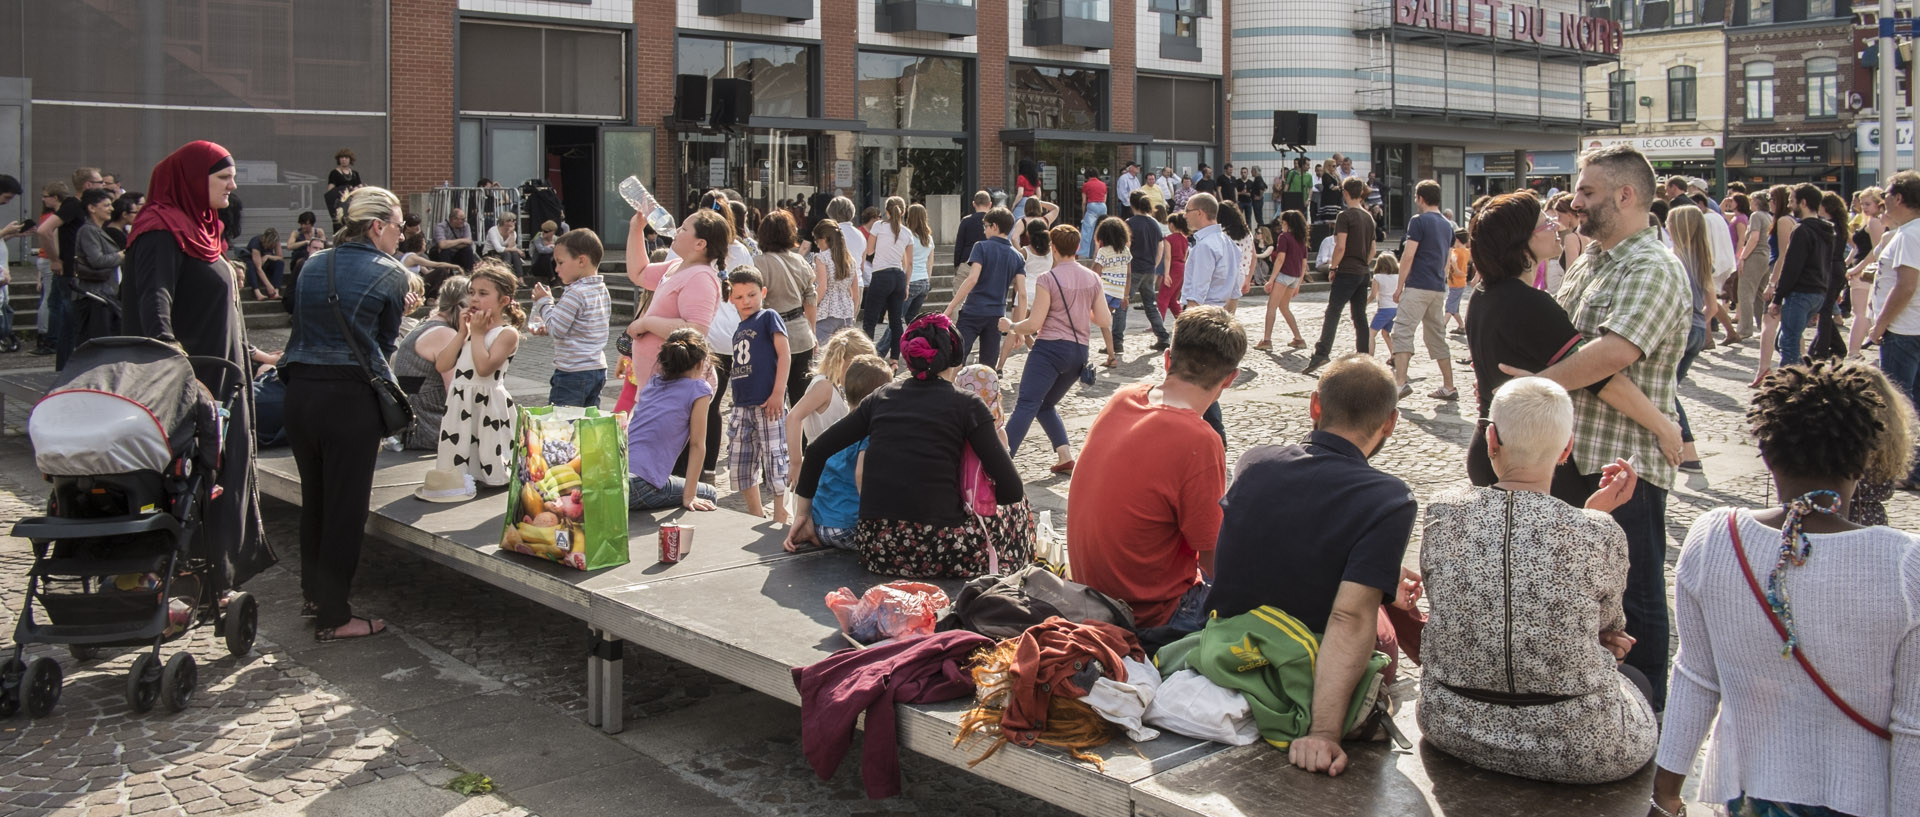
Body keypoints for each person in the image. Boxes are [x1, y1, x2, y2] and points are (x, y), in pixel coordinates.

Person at [1653, 359, 1920, 817]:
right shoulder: (1903, 563)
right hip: (1866, 799)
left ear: (1767, 452)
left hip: (1751, 795)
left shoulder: (1713, 537)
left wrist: (1664, 796)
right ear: (1866, 458)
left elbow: (1694, 678)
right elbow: (1913, 726)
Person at [1418, 377, 1657, 784]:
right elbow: (1609, 628)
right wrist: (1593, 516)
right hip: (1582, 746)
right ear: (1567, 448)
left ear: (1491, 440)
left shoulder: (1444, 512)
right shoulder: (1598, 532)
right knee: (1636, 681)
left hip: (1453, 722)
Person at [1519, 144, 1691, 711]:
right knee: (1586, 597)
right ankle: (1594, 709)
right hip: (1577, 455)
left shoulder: (1652, 266)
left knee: (1634, 600)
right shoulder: (1594, 260)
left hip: (1624, 462)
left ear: (1626, 195)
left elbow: (1609, 354)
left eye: (1588, 191)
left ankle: (1647, 718)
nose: (1576, 200)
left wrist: (1539, 384)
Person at [1205, 354, 1422, 776]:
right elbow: (1349, 615)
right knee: (1388, 607)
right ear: (1390, 423)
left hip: (1232, 641)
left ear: (1315, 406)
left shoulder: (1255, 460)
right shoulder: (1389, 497)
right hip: (1304, 654)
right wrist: (1324, 733)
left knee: (1382, 586)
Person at [124, 141, 280, 601]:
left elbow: (214, 309)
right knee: (188, 482)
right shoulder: (160, 228)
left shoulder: (203, 228)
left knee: (218, 480)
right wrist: (178, 372)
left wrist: (251, 354)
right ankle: (174, 577)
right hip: (191, 388)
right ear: (192, 180)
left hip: (224, 379)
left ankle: (213, 577)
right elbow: (156, 306)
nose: (233, 185)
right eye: (223, 177)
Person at [787, 315, 1030, 577]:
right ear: (955, 357)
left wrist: (803, 514)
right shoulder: (968, 406)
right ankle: (1014, 578)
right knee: (1019, 507)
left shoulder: (879, 398)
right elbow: (1012, 490)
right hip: (941, 549)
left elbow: (816, 451)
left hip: (877, 548)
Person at [277, 184, 412, 640]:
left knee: (314, 500)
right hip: (348, 399)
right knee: (345, 508)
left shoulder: (314, 262)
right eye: (397, 227)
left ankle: (314, 596)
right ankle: (335, 616)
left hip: (299, 394)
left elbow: (298, 317)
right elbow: (384, 347)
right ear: (376, 226)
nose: (402, 236)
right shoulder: (392, 273)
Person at [1068, 307, 1246, 630]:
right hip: (1148, 614)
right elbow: (1211, 561)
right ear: (1230, 378)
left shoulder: (1123, 398)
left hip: (1089, 593)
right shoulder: (1200, 440)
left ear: (1167, 360)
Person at [1001, 225, 1112, 472]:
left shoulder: (1047, 279)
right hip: (1078, 353)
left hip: (1049, 350)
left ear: (1053, 248)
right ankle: (1064, 456)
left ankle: (1001, 462)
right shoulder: (1092, 278)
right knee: (1045, 404)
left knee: (1027, 403)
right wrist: (1082, 308)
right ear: (1076, 247)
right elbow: (1105, 320)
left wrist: (1010, 326)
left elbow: (1034, 324)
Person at [429, 261, 522, 494]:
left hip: (487, 404)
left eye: (483, 293)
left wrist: (478, 334)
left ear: (504, 301)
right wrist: (463, 333)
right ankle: (462, 480)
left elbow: (484, 369)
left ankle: (491, 480)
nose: (474, 299)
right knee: (461, 447)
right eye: (471, 293)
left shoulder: (506, 333)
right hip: (461, 401)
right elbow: (442, 364)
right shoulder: (470, 331)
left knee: (488, 448)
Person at [793, 355, 893, 551]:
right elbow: (860, 474)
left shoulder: (836, 429)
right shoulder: (869, 433)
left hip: (821, 524)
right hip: (848, 526)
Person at [626, 328, 721, 512]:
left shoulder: (654, 382)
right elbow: (697, 445)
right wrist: (690, 496)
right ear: (702, 363)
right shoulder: (699, 389)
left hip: (620, 477)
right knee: (708, 493)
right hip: (639, 486)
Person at [725, 267, 792, 522]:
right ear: (731, 298)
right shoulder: (739, 328)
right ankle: (754, 512)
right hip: (742, 404)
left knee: (775, 456)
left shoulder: (769, 317)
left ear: (762, 293)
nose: (746, 302)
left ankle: (780, 513)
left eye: (751, 295)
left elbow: (784, 354)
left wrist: (778, 392)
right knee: (740, 457)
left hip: (768, 402)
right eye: (739, 297)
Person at [1869, 170, 1920, 489]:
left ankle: (1907, 469)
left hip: (1904, 330)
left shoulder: (1909, 235)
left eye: (1885, 195)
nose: (1881, 201)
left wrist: (1880, 324)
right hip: (1912, 327)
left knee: (1900, 405)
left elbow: (1905, 286)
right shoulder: (1908, 233)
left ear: (1899, 197)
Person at [1388, 180, 1460, 401]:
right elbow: (1447, 261)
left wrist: (1399, 286)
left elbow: (1408, 256)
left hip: (1418, 285)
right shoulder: (1448, 225)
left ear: (1420, 198)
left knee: (1401, 331)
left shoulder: (1418, 221)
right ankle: (1449, 386)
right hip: (1438, 287)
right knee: (1436, 335)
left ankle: (1400, 383)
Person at [530, 229, 612, 407]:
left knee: (563, 426)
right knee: (587, 425)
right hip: (596, 368)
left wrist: (544, 302)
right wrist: (549, 325)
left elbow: (557, 330)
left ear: (581, 260)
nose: (556, 269)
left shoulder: (575, 292)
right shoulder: (600, 289)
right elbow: (579, 326)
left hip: (573, 371)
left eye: (560, 263)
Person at [1305, 178, 1378, 375]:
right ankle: (1364, 356)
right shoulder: (1368, 217)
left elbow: (1340, 246)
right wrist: (1365, 263)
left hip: (1347, 271)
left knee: (1333, 312)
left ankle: (1322, 353)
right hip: (1363, 272)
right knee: (1359, 315)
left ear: (1345, 193)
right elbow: (1373, 249)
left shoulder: (1345, 216)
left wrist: (1333, 267)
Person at [1667, 205, 1720, 474]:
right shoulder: (1701, 259)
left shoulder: (1674, 259)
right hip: (1698, 330)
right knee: (1670, 390)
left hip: (1683, 331)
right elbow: (1713, 306)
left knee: (1665, 392)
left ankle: (1688, 452)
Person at [785, 327, 877, 481]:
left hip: (831, 464)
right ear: (843, 362)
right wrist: (796, 462)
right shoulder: (824, 386)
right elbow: (793, 417)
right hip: (820, 465)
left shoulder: (834, 387)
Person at [393, 276, 470, 451]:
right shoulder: (444, 334)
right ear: (462, 306)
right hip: (429, 427)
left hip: (414, 423)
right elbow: (456, 393)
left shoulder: (428, 325)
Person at [37, 167, 103, 369]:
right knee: (71, 322)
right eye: (100, 182)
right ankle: (66, 368)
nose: (104, 186)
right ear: (88, 185)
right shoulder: (73, 204)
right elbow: (45, 230)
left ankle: (67, 367)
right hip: (71, 273)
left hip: (77, 272)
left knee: (72, 322)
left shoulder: (83, 207)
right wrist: (55, 259)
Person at [751, 211, 817, 407]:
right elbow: (811, 303)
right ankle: (801, 438)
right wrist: (812, 334)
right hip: (802, 336)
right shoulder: (801, 262)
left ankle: (776, 437)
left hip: (771, 337)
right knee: (800, 402)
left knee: (770, 400)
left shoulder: (758, 264)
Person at [946, 206, 1026, 367]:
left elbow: (972, 279)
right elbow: (1022, 294)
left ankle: (949, 390)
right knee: (988, 366)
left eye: (986, 226)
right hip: (996, 315)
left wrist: (951, 306)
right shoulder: (1017, 256)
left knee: (956, 358)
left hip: (973, 311)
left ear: (994, 226)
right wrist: (1020, 329)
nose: (984, 231)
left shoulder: (981, 247)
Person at [1771, 184, 1834, 368]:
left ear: (1803, 202)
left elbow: (1791, 267)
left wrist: (1777, 297)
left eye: (1792, 201)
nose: (1790, 206)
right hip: (1817, 292)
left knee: (1788, 343)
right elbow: (1827, 264)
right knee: (1787, 340)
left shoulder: (1801, 230)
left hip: (1800, 292)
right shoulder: (1827, 230)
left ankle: (1791, 384)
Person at [71, 187, 124, 346]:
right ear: (92, 208)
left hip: (104, 294)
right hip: (94, 296)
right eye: (106, 205)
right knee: (97, 342)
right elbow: (96, 260)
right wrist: (120, 256)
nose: (111, 209)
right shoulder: (88, 230)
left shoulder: (98, 231)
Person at [863, 197, 913, 360]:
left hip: (881, 274)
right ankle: (894, 359)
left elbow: (869, 251)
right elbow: (909, 263)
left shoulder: (878, 226)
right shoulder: (907, 233)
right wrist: (906, 285)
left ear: (886, 211)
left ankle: (868, 356)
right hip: (898, 276)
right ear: (903, 211)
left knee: (870, 318)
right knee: (896, 321)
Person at [1125, 191, 1173, 353]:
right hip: (1149, 269)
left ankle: (1116, 340)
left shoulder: (1130, 223)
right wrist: (1154, 264)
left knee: (1124, 303)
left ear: (1132, 205)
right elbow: (1160, 247)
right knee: (1151, 304)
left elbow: (1126, 248)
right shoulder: (1154, 223)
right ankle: (1163, 336)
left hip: (1134, 268)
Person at [1257, 210, 1310, 350]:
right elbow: (1304, 263)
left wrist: (1271, 280)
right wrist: (1298, 283)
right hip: (1295, 276)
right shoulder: (1301, 239)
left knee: (1272, 307)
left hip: (1284, 275)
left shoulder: (1284, 237)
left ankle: (1266, 340)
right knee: (1284, 307)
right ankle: (1298, 338)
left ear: (1286, 223)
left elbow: (1280, 259)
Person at [1179, 194, 1237, 310]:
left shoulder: (1205, 246)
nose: (1185, 216)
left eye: (1187, 211)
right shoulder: (1229, 243)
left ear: (1200, 212)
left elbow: (1196, 294)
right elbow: (1235, 293)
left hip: (1203, 315)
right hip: (1220, 314)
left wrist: (1187, 324)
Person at [1091, 216, 1133, 367]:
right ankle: (1111, 357)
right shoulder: (1125, 251)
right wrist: (1126, 295)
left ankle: (1109, 356)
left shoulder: (1103, 251)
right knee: (1104, 323)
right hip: (1117, 293)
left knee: (1089, 320)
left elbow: (1095, 272)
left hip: (1103, 291)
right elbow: (1128, 274)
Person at [810, 218, 859, 340]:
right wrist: (853, 313)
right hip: (846, 312)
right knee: (842, 354)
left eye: (817, 240)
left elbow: (823, 287)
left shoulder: (822, 258)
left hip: (826, 312)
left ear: (825, 239)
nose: (817, 244)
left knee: (822, 354)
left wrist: (811, 307)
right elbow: (856, 292)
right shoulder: (850, 259)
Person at [952, 191, 990, 286]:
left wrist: (957, 265)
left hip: (967, 263)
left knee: (960, 298)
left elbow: (959, 245)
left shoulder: (966, 221)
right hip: (988, 265)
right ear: (990, 204)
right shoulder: (994, 222)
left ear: (974, 204)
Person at [1158, 212, 1191, 320]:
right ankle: (1183, 320)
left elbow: (1168, 257)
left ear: (1172, 225)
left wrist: (1166, 274)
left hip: (1173, 267)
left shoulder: (1169, 238)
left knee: (1162, 297)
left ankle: (1158, 323)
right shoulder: (1185, 238)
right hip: (1182, 267)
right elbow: (1185, 256)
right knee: (1173, 299)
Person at [432, 208, 480, 273]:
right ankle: (447, 275)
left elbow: (468, 242)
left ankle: (469, 272)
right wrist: (461, 240)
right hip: (441, 254)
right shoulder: (441, 227)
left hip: (457, 253)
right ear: (453, 219)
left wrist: (448, 244)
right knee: (445, 251)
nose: (464, 221)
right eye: (462, 219)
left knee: (468, 250)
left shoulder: (466, 225)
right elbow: (442, 245)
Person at [326, 148, 361, 232]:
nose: (343, 159)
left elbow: (360, 188)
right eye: (341, 157)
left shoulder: (355, 174)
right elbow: (330, 191)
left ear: (350, 159)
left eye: (346, 157)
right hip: (340, 207)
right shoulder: (334, 173)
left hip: (352, 206)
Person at [243, 228, 284, 301]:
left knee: (280, 263)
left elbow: (280, 257)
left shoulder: (276, 241)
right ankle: (257, 292)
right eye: (269, 245)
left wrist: (268, 256)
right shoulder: (256, 242)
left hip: (265, 263)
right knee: (250, 265)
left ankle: (276, 291)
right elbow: (258, 268)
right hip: (254, 264)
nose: (269, 247)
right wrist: (268, 285)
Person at [483, 211, 526, 279]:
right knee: (508, 253)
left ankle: (520, 278)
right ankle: (506, 276)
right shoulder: (493, 230)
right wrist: (517, 249)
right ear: (503, 221)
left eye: (514, 220)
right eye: (510, 220)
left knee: (514, 254)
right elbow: (498, 249)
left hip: (505, 253)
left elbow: (511, 248)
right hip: (491, 253)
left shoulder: (513, 233)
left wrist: (511, 235)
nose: (513, 222)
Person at [1443, 230, 1469, 334]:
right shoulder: (1467, 251)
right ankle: (1462, 326)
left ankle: (1442, 325)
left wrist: (1456, 268)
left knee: (1449, 306)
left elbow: (1453, 262)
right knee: (1454, 307)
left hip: (1456, 283)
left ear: (1457, 240)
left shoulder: (1456, 252)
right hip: (1460, 282)